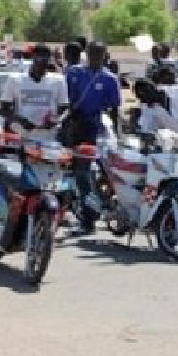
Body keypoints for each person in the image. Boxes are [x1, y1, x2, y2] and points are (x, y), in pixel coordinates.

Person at [65, 41, 121, 234]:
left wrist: (117, 136)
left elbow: (114, 109)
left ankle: (89, 215)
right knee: (62, 168)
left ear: (105, 54)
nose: (95, 56)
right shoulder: (73, 73)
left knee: (84, 171)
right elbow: (63, 99)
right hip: (70, 125)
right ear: (86, 53)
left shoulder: (110, 79)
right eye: (92, 52)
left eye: (99, 52)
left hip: (93, 128)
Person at [0, 44, 69, 142]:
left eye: (46, 61)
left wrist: (57, 120)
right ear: (33, 57)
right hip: (21, 136)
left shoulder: (59, 80)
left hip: (48, 138)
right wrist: (20, 120)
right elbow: (4, 109)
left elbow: (65, 108)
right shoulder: (15, 80)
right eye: (40, 60)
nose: (42, 65)